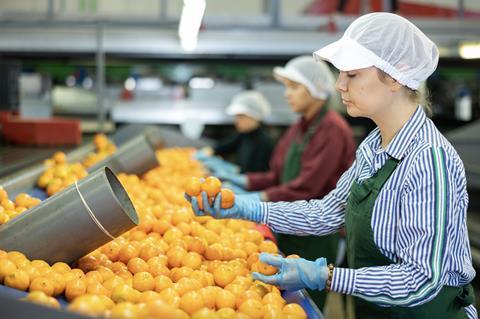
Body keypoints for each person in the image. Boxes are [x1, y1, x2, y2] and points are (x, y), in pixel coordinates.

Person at [186, 13, 477, 319]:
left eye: (352, 75)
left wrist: (326, 276)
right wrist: (249, 209)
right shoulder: (373, 146)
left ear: (396, 76)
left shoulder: (428, 159)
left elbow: (421, 281)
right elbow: (327, 213)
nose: (339, 85)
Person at [199, 55, 357, 309]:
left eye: (294, 87)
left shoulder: (333, 129)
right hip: (288, 222)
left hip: (316, 234)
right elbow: (275, 175)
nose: (286, 94)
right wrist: (240, 181)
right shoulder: (297, 129)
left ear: (316, 89)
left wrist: (256, 201)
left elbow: (307, 187)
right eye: (286, 87)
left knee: (306, 305)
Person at [197, 90, 274, 174]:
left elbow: (258, 173)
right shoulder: (243, 134)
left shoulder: (264, 142)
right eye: (236, 116)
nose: (236, 121)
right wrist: (208, 152)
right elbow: (222, 147)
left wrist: (232, 172)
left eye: (241, 117)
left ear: (254, 116)